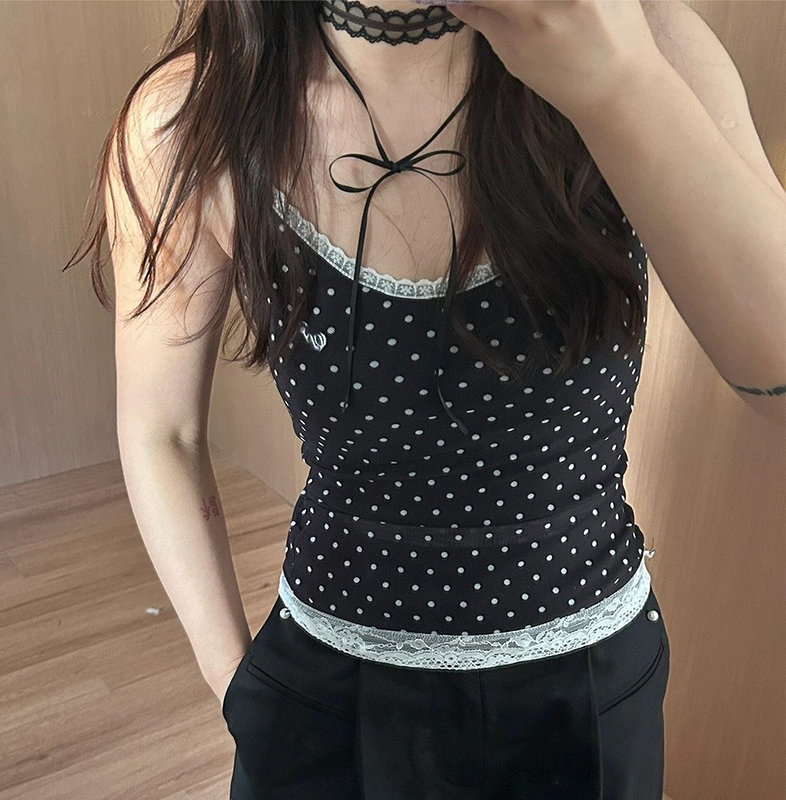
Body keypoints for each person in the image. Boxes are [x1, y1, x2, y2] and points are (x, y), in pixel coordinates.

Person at [67, 1, 687, 797]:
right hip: (327, 693)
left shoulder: (644, 50)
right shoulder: (188, 121)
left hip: (590, 683)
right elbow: (164, 431)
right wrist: (241, 691)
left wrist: (628, 81)